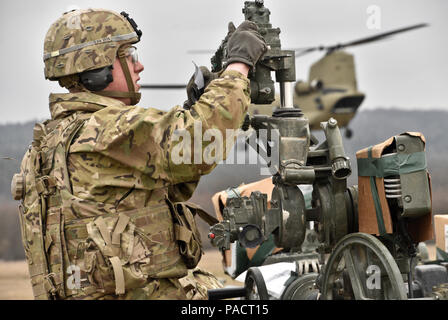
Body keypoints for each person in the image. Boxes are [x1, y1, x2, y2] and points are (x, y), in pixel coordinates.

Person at [11, 8, 267, 300]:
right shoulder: (106, 130)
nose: (139, 65)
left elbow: (159, 186)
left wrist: (193, 107)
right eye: (128, 55)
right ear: (99, 70)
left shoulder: (53, 142)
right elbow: (198, 145)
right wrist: (238, 67)